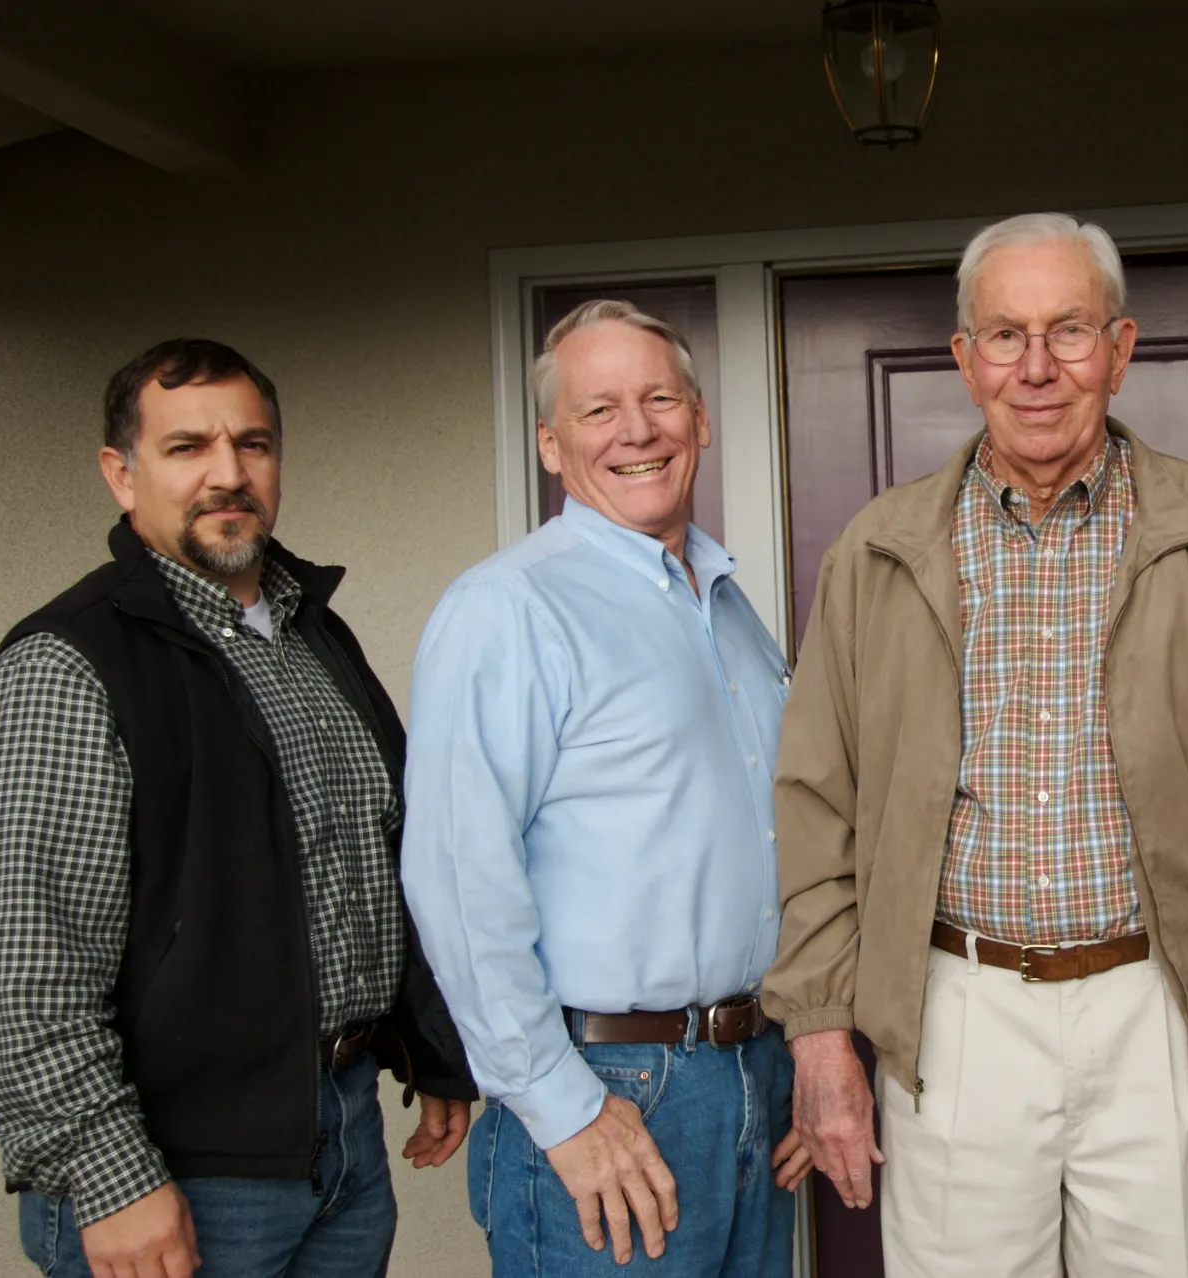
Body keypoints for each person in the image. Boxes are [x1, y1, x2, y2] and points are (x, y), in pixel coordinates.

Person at [764, 212, 1188, 1277]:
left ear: (1120, 352)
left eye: (1069, 332)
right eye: (1004, 335)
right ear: (965, 360)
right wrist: (819, 1029)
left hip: (1169, 1011)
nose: (1036, 367)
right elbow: (816, 809)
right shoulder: (880, 550)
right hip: (958, 1015)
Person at [0, 338, 477, 1278]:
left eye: (252, 445)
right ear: (119, 474)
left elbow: (375, 855)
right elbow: (25, 963)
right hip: (177, 1171)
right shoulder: (66, 665)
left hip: (338, 1137)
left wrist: (430, 1048)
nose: (228, 474)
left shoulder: (309, 631)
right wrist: (110, 1178)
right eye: (186, 449)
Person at [401, 300, 810, 1278]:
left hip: (754, 1070)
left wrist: (807, 1053)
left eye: (660, 399)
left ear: (700, 420)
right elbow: (459, 878)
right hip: (611, 1086)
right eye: (598, 411)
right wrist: (558, 1104)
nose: (638, 430)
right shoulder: (508, 608)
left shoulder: (733, 610)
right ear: (550, 444)